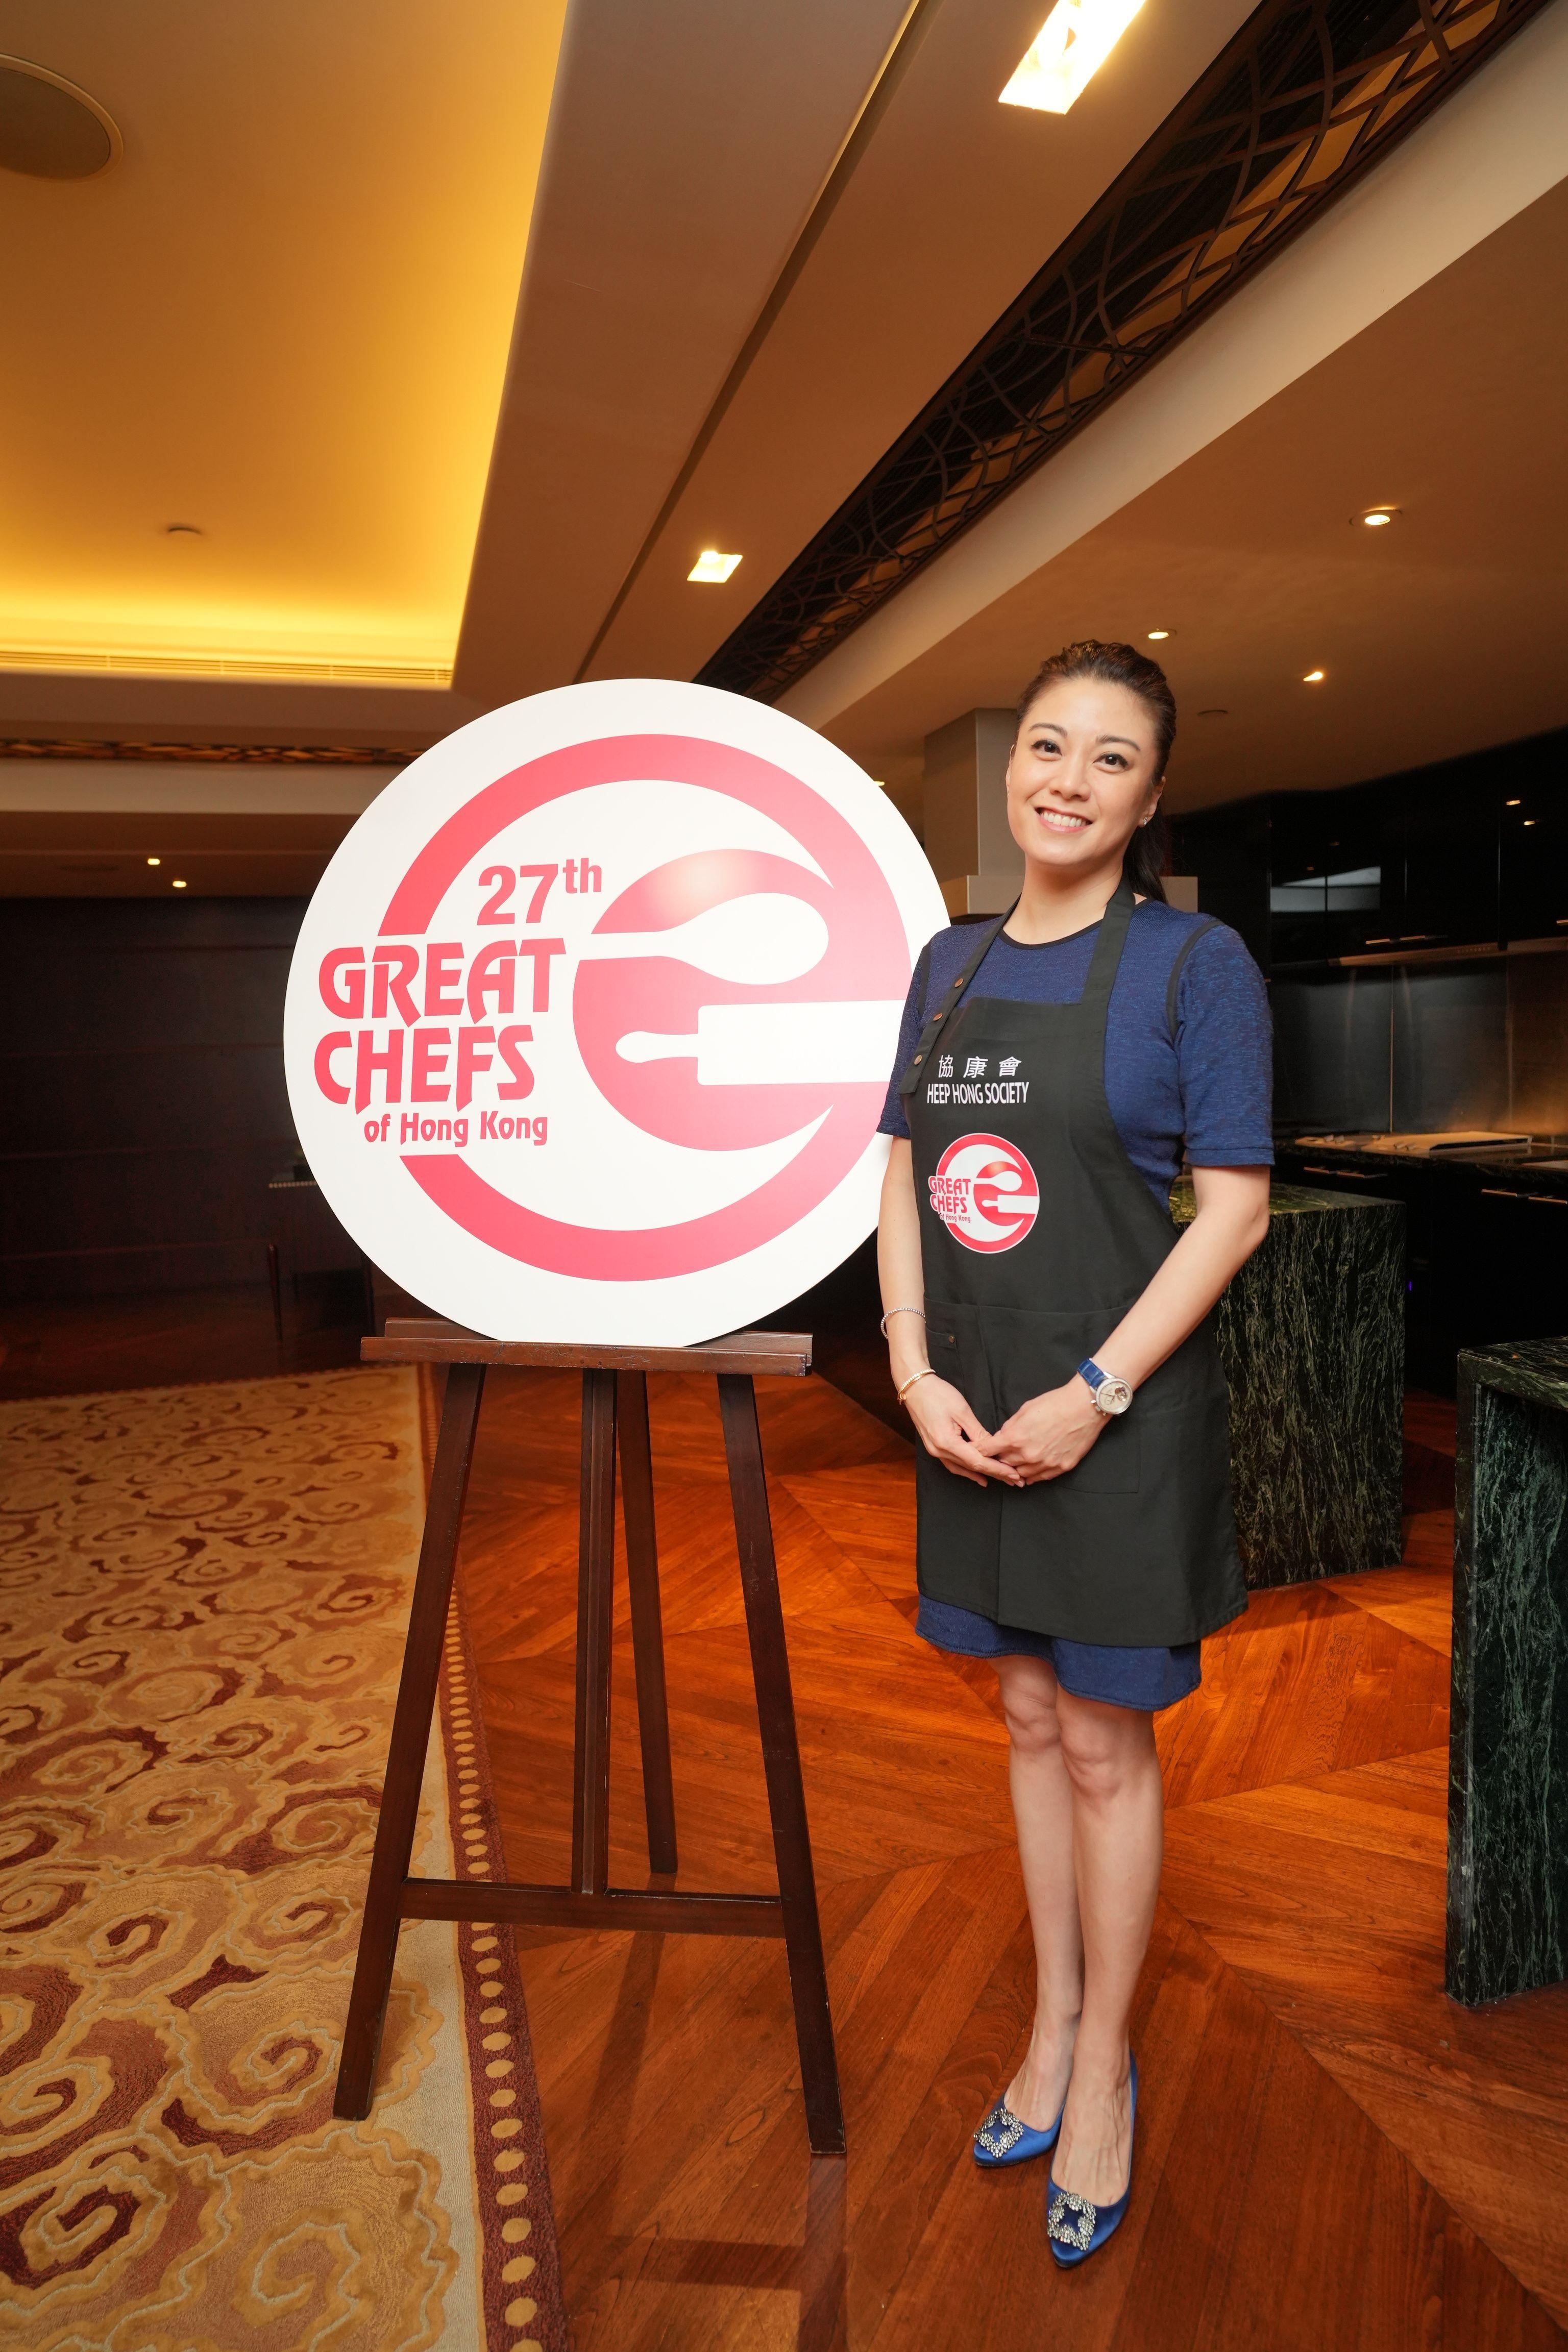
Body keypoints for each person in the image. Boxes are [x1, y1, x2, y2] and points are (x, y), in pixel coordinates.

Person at [876, 640, 1272, 2265]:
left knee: (1105, 1742)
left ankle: (1102, 2064)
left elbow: (1234, 1213)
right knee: (1029, 1717)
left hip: (1117, 1411)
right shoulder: (946, 963)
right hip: (971, 1406)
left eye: (1111, 758)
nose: (1068, 779)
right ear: (1011, 764)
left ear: (1151, 795)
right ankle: (1046, 2026)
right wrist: (911, 1369)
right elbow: (902, 1176)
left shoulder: (1195, 964)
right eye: (1049, 744)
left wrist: (1094, 1390)